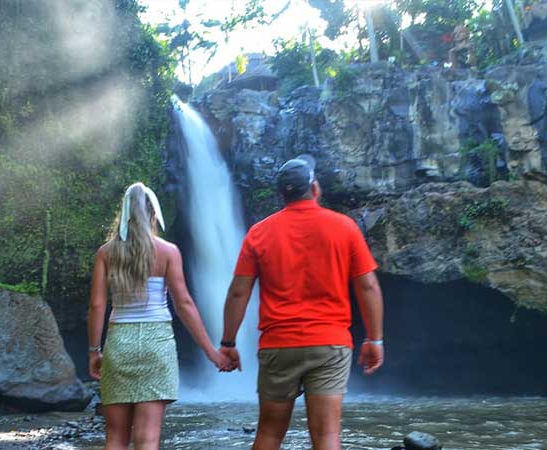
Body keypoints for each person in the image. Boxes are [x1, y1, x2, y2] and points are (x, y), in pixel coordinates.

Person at [219, 155, 385, 450]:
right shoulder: (344, 227)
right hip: (329, 344)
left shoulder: (259, 233)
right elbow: (368, 285)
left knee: (269, 433)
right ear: (316, 189)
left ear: (282, 194)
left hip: (278, 345)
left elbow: (238, 293)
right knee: (327, 436)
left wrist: (228, 343)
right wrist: (374, 339)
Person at [87, 182, 231, 450]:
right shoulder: (167, 252)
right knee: (148, 438)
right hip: (157, 345)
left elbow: (97, 305)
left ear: (124, 214)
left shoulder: (106, 253)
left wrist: (94, 351)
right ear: (153, 215)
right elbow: (184, 304)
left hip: (120, 343)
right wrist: (211, 352)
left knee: (116, 437)